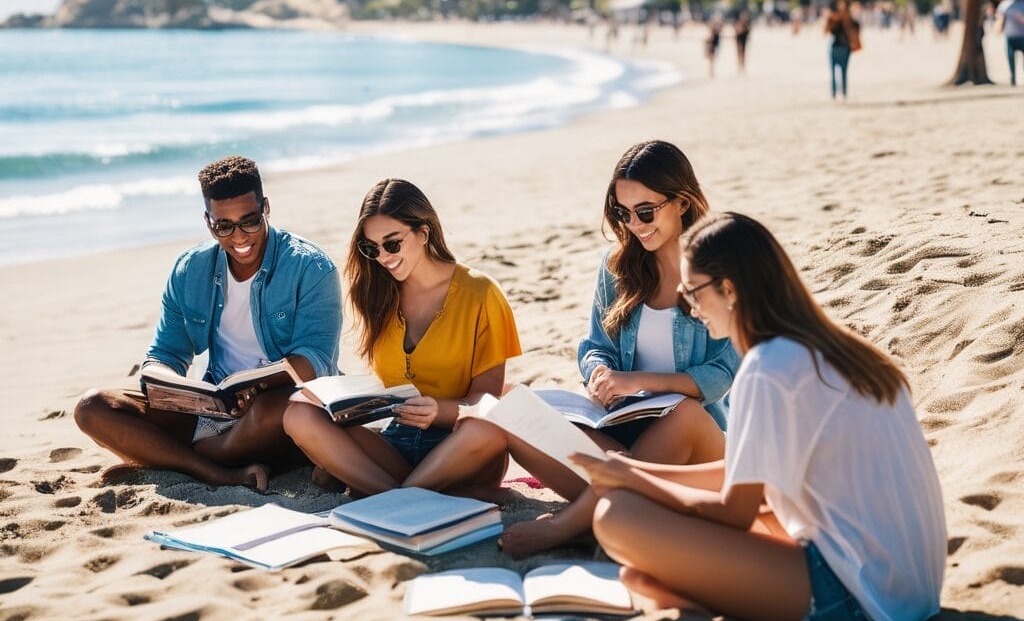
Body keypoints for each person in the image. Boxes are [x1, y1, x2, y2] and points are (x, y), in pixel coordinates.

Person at [575, 212, 946, 621]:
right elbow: (742, 472)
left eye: (692, 294)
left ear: (729, 290)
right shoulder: (832, 349)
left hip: (863, 599)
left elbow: (736, 511)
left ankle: (695, 597)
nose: (692, 310)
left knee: (618, 517)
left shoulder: (769, 367)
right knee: (641, 554)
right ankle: (691, 592)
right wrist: (634, 472)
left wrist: (634, 481)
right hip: (908, 587)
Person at [407, 140, 737, 556]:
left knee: (684, 415)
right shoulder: (618, 267)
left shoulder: (721, 267)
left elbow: (722, 375)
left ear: (682, 202)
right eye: (622, 212)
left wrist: (636, 381)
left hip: (695, 454)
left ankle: (566, 527)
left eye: (645, 211)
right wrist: (600, 374)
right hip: (623, 439)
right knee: (509, 407)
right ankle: (398, 500)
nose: (634, 224)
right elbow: (594, 346)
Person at [74, 156, 342, 491]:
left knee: (279, 408)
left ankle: (173, 456)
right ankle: (215, 470)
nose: (239, 237)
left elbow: (316, 361)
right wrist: (167, 385)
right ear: (208, 222)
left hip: (276, 408)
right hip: (214, 410)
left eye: (249, 221)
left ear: (266, 208)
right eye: (224, 226)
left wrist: (257, 387)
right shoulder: (190, 270)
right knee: (93, 408)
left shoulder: (311, 268)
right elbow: (165, 353)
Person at [283, 178, 522, 497]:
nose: (383, 257)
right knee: (298, 413)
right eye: (371, 248)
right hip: (396, 442)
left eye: (392, 243)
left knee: (489, 427)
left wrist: (438, 409)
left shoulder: (481, 294)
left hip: (461, 447)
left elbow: (484, 401)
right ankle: (401, 496)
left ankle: (390, 494)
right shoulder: (376, 294)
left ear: (423, 232)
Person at [824, 0, 853, 100]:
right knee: (843, 72)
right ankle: (841, 92)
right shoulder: (848, 18)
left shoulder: (833, 18)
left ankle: (836, 93)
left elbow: (825, 32)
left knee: (835, 72)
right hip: (844, 47)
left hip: (836, 47)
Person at [997, 0, 1024, 85]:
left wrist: (998, 30)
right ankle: (1013, 77)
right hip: (1021, 35)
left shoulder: (1005, 4)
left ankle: (1013, 77)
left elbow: (1001, 19)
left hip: (1010, 35)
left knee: (1011, 58)